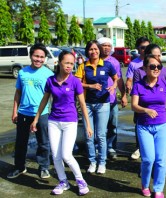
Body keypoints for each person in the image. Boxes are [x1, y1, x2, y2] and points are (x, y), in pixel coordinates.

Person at [30, 51, 93, 195]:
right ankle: (63, 181)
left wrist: (88, 125)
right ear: (59, 63)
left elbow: (82, 104)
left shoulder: (75, 81)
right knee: (56, 155)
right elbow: (44, 101)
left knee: (66, 155)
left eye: (72, 63)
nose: (70, 66)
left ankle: (81, 181)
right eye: (67, 63)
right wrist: (36, 118)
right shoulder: (50, 80)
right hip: (53, 121)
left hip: (70, 121)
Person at [131, 54, 166, 198]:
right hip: (144, 127)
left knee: (160, 160)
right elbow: (134, 106)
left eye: (158, 66)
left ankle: (158, 188)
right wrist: (145, 110)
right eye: (152, 66)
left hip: (162, 127)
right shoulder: (138, 85)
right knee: (148, 159)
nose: (156, 69)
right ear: (145, 68)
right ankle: (145, 184)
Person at [7, 43, 53, 179]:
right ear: (31, 56)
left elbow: (53, 95)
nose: (39, 59)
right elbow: (18, 93)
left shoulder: (48, 74)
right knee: (21, 142)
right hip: (23, 113)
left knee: (43, 142)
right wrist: (14, 111)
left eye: (42, 57)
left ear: (45, 58)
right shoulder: (22, 73)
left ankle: (44, 167)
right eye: (36, 56)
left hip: (42, 113)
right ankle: (19, 167)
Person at [75, 40, 118, 174]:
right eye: (91, 49)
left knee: (101, 135)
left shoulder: (107, 65)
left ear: (99, 51)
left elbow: (116, 78)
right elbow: (77, 83)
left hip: (103, 103)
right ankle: (92, 162)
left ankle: (102, 163)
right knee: (89, 135)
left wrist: (113, 86)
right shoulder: (83, 66)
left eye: (96, 49)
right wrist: (90, 86)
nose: (93, 52)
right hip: (87, 104)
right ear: (87, 51)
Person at [98, 37, 128, 160]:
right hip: (97, 100)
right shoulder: (93, 60)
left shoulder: (114, 62)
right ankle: (98, 148)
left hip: (111, 100)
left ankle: (111, 147)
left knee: (112, 125)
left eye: (109, 46)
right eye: (104, 45)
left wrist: (124, 95)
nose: (107, 48)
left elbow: (119, 80)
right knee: (98, 127)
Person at [125, 37, 150, 160]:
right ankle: (139, 147)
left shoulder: (154, 62)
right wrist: (128, 86)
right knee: (139, 123)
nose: (145, 50)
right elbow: (129, 79)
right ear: (139, 49)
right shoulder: (133, 64)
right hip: (139, 99)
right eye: (142, 47)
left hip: (152, 97)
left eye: (147, 47)